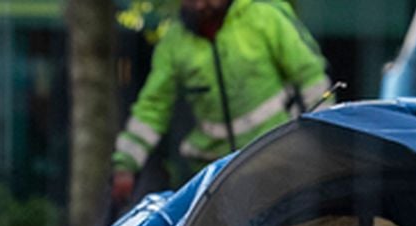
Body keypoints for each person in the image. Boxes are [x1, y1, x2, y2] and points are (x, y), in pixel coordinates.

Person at [111, 0, 332, 205]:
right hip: (214, 175)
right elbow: (152, 108)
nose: (200, 5)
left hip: (275, 159)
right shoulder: (175, 43)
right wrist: (126, 164)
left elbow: (310, 79)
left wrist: (321, 139)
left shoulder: (265, 17)